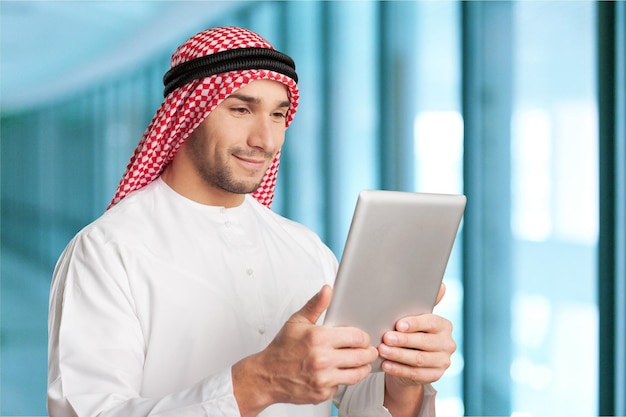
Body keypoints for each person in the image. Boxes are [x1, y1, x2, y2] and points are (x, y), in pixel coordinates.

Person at [47, 26, 456, 417]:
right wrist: (257, 383)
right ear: (188, 115)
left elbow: (362, 403)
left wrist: (404, 380)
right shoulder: (107, 251)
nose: (267, 139)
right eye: (241, 109)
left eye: (279, 115)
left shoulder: (306, 249)